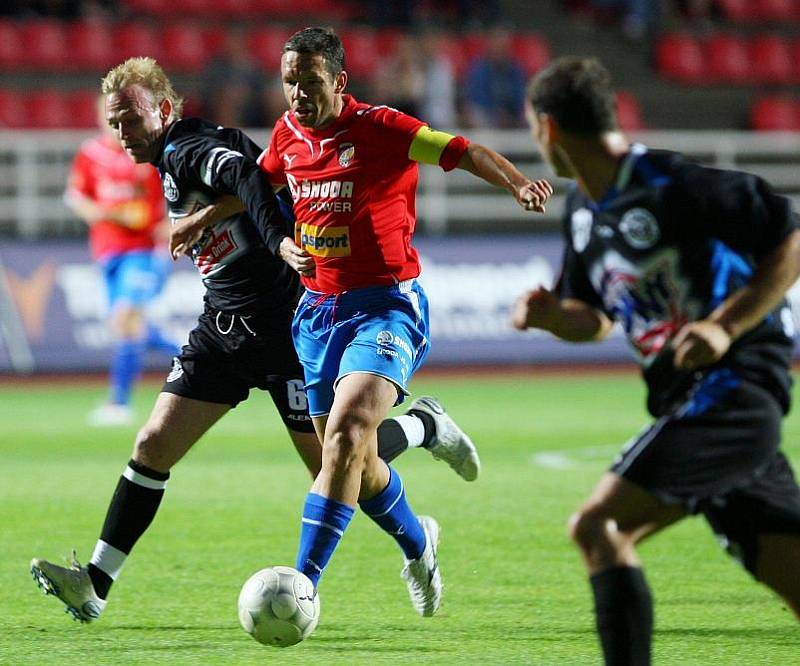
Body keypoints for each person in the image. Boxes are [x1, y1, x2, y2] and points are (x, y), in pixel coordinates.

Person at [30, 57, 481, 624]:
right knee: (152, 446)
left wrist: (275, 240)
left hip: (285, 331)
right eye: (115, 121)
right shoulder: (170, 162)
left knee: (342, 469)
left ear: (165, 111)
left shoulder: (188, 148)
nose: (123, 132)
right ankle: (94, 582)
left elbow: (248, 175)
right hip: (222, 331)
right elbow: (254, 179)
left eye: (133, 118)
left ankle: (421, 452)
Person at [252, 27, 552, 618]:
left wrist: (519, 183)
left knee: (343, 440)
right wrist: (256, 234)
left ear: (338, 81)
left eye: (309, 82)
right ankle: (421, 528)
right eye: (290, 82)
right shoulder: (286, 136)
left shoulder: (383, 128)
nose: (297, 95)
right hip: (315, 314)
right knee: (348, 466)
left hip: (386, 305)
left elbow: (463, 150)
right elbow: (258, 184)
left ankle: (303, 586)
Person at [514, 56, 800, 665]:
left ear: (548, 129)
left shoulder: (672, 183)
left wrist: (724, 327)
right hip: (693, 402)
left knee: (598, 527)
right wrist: (551, 317)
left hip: (733, 392)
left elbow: (790, 237)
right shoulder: (583, 214)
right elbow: (596, 319)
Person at [65, 95, 179, 426]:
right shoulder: (90, 154)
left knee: (127, 318)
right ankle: (195, 356)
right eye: (110, 116)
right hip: (107, 251)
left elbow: (163, 207)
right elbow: (77, 197)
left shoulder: (146, 156)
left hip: (142, 252)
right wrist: (102, 213)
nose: (116, 123)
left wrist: (167, 231)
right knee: (128, 326)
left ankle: (119, 403)